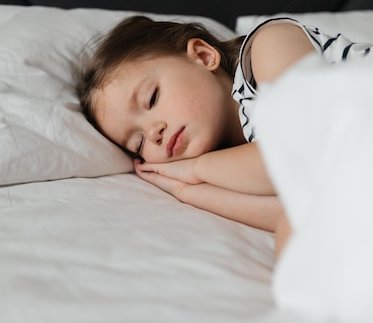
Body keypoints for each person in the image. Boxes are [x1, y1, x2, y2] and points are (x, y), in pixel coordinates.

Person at [77, 16, 371, 258]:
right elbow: (296, 207)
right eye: (138, 143)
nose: (153, 134)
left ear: (203, 57)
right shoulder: (239, 160)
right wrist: (187, 192)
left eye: (152, 98)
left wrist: (194, 169)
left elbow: (292, 157)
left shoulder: (269, 44)